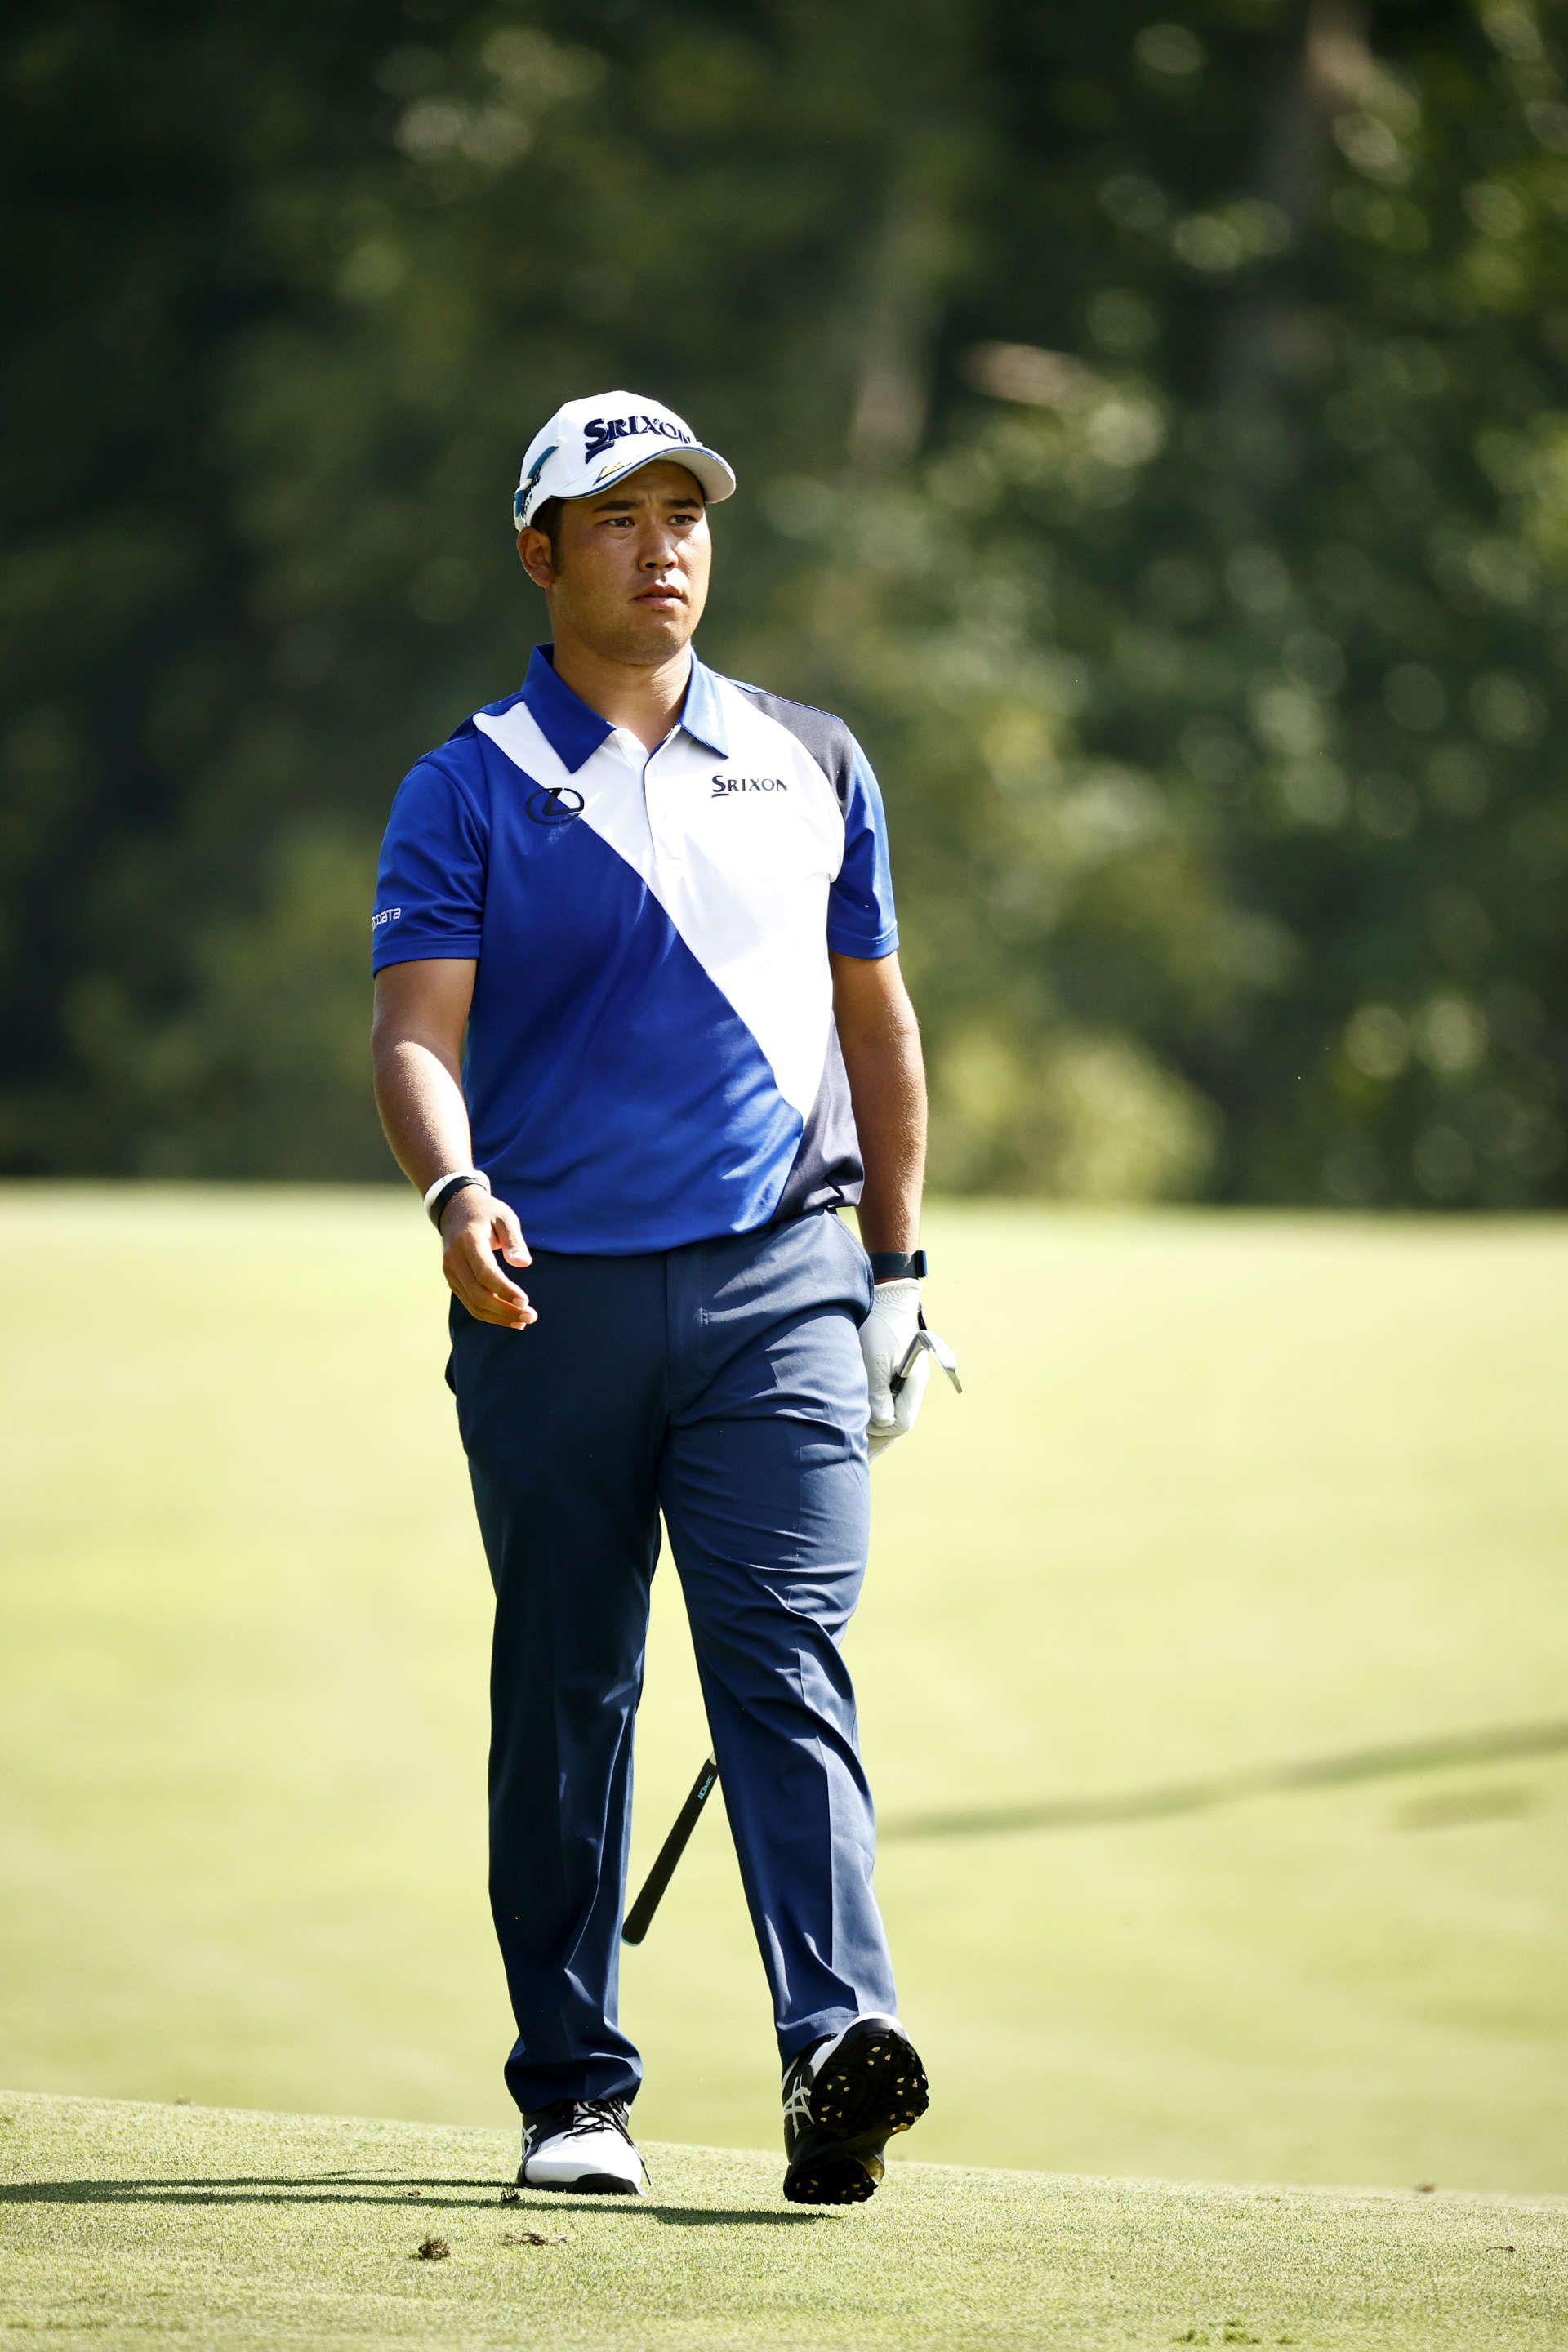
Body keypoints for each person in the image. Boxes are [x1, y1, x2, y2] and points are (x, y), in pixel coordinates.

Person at [370, 390, 938, 2207]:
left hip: (784, 1286)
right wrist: (456, 1195)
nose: (664, 542)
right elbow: (412, 1037)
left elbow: (876, 1022)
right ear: (541, 553)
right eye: (618, 516)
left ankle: (832, 2046)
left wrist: (901, 1267)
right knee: (570, 1693)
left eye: (685, 512)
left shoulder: (814, 757)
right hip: (548, 1305)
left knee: (787, 1662)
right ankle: (573, 2092)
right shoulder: (465, 783)